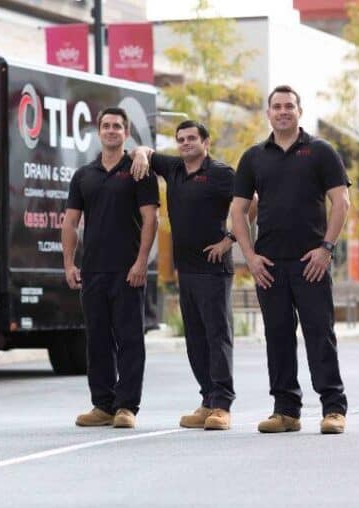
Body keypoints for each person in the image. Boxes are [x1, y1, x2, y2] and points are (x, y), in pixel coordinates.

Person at [231, 85, 350, 434]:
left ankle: (333, 408)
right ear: (268, 113)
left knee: (319, 334)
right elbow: (238, 210)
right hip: (269, 265)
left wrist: (326, 248)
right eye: (277, 106)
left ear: (300, 111)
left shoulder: (320, 152)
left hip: (310, 262)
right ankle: (286, 410)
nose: (283, 111)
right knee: (278, 336)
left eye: (289, 106)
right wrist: (250, 256)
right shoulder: (254, 157)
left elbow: (341, 202)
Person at [131, 120, 240, 431]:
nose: (186, 143)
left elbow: (251, 204)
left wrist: (229, 240)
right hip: (186, 268)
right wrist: (140, 154)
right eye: (181, 139)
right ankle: (207, 400)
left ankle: (222, 404)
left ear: (205, 142)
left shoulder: (221, 173)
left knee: (217, 336)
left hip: (214, 269)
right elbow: (147, 152)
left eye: (192, 138)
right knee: (195, 337)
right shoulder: (175, 168)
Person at [62, 107, 159, 429]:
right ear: (99, 131)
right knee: (98, 339)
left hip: (128, 269)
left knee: (130, 339)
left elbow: (150, 219)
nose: (111, 130)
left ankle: (126, 406)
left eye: (117, 126)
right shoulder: (84, 175)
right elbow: (71, 221)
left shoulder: (138, 170)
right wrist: (68, 263)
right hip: (93, 270)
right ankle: (102, 405)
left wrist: (142, 261)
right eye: (106, 126)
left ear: (126, 132)